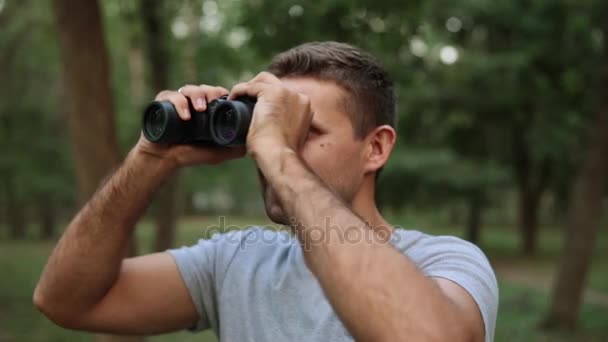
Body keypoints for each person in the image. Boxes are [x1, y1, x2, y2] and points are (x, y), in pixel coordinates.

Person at [34, 41, 498, 341]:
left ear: (375, 148)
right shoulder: (236, 261)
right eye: (265, 128)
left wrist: (279, 152)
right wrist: (151, 160)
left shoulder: (445, 262)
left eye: (306, 130)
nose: (264, 147)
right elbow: (66, 300)